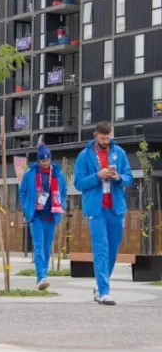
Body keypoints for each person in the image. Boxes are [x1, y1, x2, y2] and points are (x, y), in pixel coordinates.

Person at [74, 121, 133, 306]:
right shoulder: (84, 156)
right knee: (101, 249)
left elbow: (129, 178)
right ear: (95, 135)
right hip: (96, 209)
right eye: (102, 137)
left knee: (113, 249)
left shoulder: (120, 153)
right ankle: (104, 292)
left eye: (108, 137)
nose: (106, 141)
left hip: (115, 208)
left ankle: (100, 285)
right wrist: (97, 176)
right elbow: (78, 183)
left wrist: (119, 177)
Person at [18, 143, 67, 291]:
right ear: (38, 161)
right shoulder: (30, 174)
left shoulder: (58, 174)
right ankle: (41, 277)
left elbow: (63, 192)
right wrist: (27, 209)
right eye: (43, 161)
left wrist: (61, 206)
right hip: (36, 216)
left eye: (48, 160)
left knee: (47, 248)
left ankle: (44, 274)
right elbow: (22, 192)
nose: (46, 163)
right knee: (38, 246)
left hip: (51, 216)